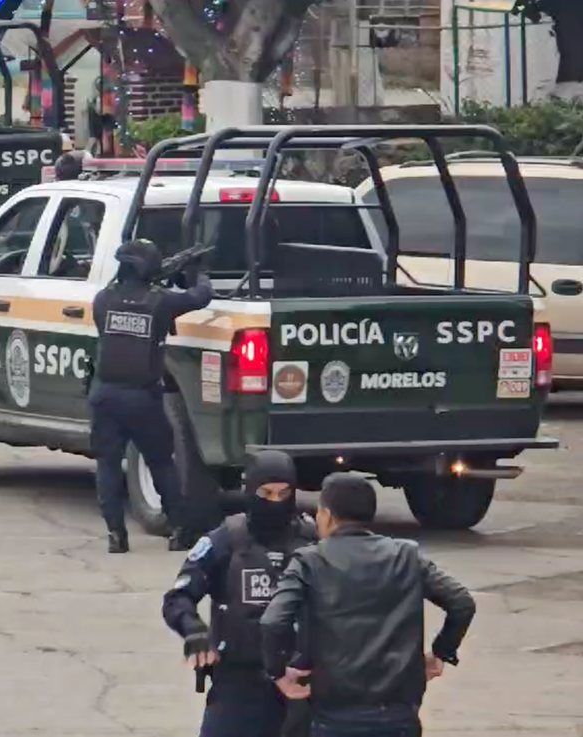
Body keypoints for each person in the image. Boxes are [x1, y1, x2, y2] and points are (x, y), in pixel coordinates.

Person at [261, 473, 477, 737]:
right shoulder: (406, 556)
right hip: (398, 714)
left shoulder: (310, 561)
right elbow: (461, 602)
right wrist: (442, 651)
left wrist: (278, 673)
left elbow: (273, 621)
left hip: (335, 714)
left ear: (327, 515)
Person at [162, 451, 318, 737]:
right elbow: (177, 597)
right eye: (266, 493)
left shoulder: (314, 542)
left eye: (284, 493)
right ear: (250, 491)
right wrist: (193, 629)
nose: (275, 501)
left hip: (300, 681)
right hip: (239, 681)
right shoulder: (225, 540)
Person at [89, 238, 213, 553]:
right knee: (160, 463)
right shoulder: (160, 302)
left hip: (105, 395)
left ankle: (116, 535)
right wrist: (199, 273)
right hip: (142, 398)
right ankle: (180, 531)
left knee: (107, 465)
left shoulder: (102, 300)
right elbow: (201, 297)